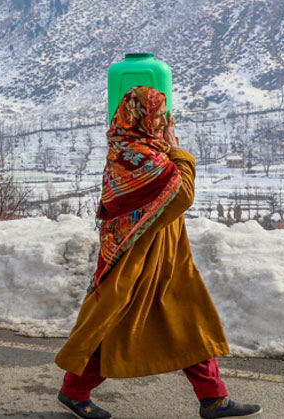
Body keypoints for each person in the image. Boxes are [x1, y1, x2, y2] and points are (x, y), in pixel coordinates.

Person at [54, 86, 260, 419]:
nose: (164, 121)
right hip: (137, 257)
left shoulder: (133, 146)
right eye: (159, 116)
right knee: (116, 322)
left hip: (164, 253)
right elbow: (182, 195)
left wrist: (167, 147)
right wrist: (178, 151)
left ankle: (214, 397)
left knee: (187, 318)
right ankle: (74, 391)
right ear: (142, 118)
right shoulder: (138, 156)